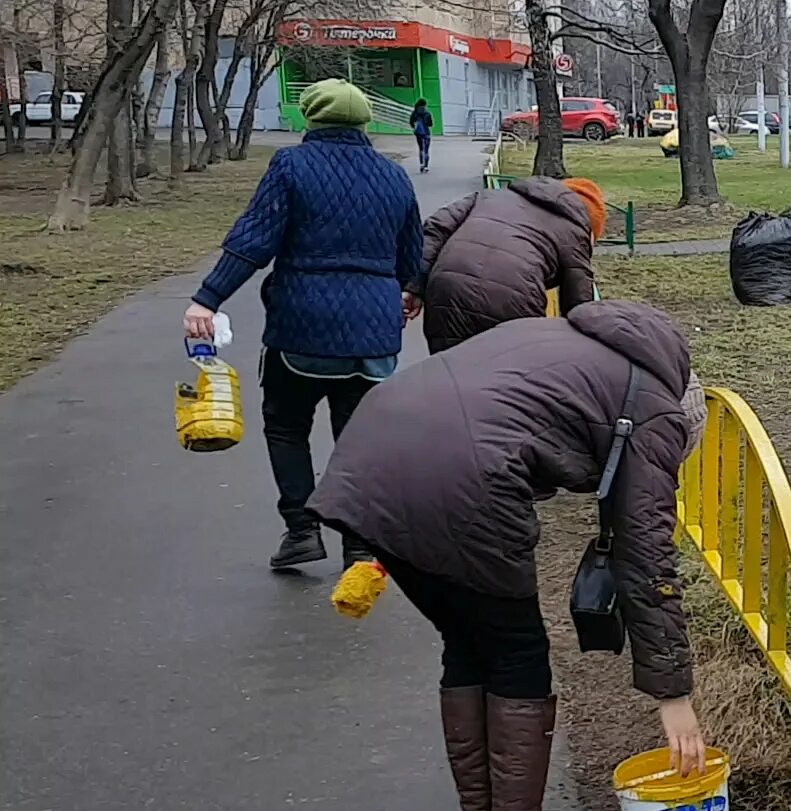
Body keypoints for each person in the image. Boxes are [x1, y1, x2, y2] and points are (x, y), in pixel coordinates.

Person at [307, 300, 707, 811]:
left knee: (468, 640)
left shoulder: (561, 339)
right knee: (518, 652)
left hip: (370, 453)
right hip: (460, 475)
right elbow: (647, 553)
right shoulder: (654, 410)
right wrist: (672, 695)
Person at [183, 78, 422, 572]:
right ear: (364, 121)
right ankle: (357, 543)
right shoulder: (393, 176)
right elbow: (412, 257)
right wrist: (410, 292)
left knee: (287, 427)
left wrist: (208, 299)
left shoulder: (291, 165)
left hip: (302, 325)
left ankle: (301, 530)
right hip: (374, 332)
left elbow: (255, 238)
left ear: (311, 117)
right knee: (357, 437)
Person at [406, 177, 605, 353]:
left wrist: (414, 285)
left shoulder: (490, 196)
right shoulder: (575, 230)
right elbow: (580, 302)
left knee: (449, 370)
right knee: (506, 381)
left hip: (446, 288)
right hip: (513, 299)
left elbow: (436, 229)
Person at [409, 98, 433, 174]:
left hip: (418, 133)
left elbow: (411, 122)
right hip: (426, 133)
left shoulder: (415, 112)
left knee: (421, 149)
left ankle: (421, 165)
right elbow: (430, 124)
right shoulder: (427, 113)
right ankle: (426, 166)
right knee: (426, 150)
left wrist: (414, 127)